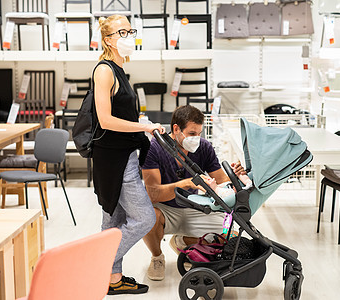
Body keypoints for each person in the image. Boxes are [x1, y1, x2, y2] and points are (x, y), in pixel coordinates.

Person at [93, 15, 165, 295]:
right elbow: (105, 120)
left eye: (130, 30)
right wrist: (144, 126)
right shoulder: (104, 71)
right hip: (115, 160)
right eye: (121, 32)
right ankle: (98, 263)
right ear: (108, 39)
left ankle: (112, 280)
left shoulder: (119, 69)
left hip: (123, 154)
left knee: (113, 220)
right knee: (144, 218)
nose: (129, 35)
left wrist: (140, 127)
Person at [141, 105, 245, 281]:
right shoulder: (155, 149)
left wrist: (236, 176)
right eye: (191, 134)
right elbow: (152, 194)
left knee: (228, 234)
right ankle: (157, 257)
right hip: (165, 209)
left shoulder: (204, 147)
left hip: (194, 206)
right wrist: (187, 183)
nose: (196, 138)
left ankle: (182, 242)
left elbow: (222, 180)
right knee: (146, 215)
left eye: (199, 133)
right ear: (176, 129)